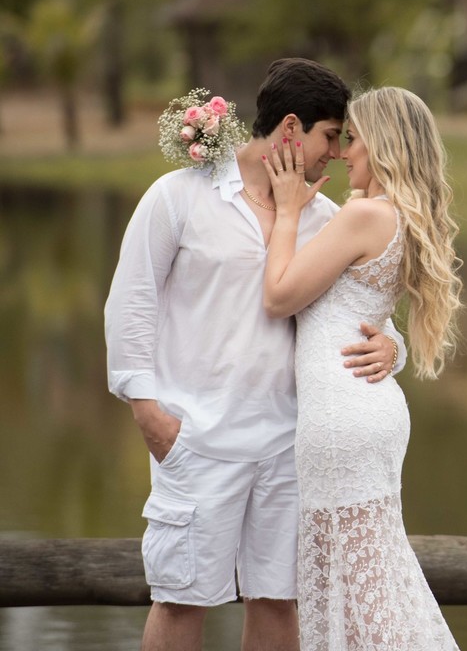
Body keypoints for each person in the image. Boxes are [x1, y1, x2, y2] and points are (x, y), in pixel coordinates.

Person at [104, 59, 408, 651]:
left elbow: (361, 310)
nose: (340, 153)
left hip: (289, 447)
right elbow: (129, 302)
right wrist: (148, 411)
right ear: (291, 128)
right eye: (330, 136)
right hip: (196, 440)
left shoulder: (326, 218)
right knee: (181, 600)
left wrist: (391, 348)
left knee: (278, 601)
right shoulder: (179, 197)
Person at [260, 86, 463, 650]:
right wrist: (393, 344)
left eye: (354, 140)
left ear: (383, 146)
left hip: (343, 422)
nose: (345, 153)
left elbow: (278, 297)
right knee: (370, 582)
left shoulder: (365, 214)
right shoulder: (396, 218)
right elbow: (362, 310)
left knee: (366, 595)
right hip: (363, 412)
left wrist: (286, 213)